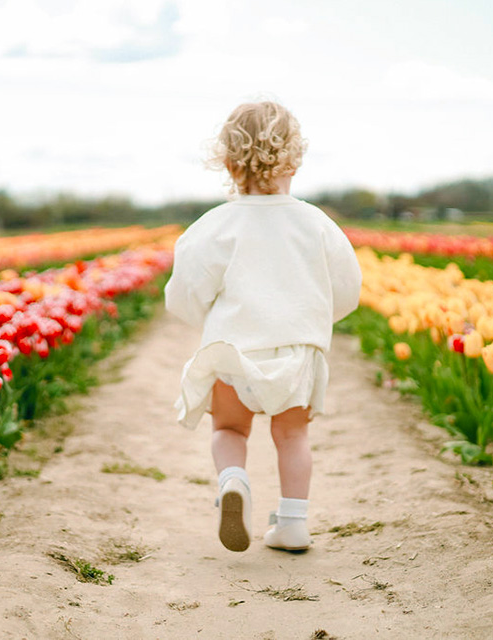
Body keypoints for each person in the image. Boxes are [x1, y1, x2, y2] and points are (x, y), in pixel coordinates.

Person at [164, 101, 362, 552]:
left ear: (229, 162)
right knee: (292, 435)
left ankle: (234, 482)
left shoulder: (215, 226)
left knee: (229, 431)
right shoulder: (317, 224)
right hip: (295, 353)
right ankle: (292, 523)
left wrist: (209, 320)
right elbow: (347, 289)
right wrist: (309, 320)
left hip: (234, 351)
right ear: (295, 158)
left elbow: (184, 295)